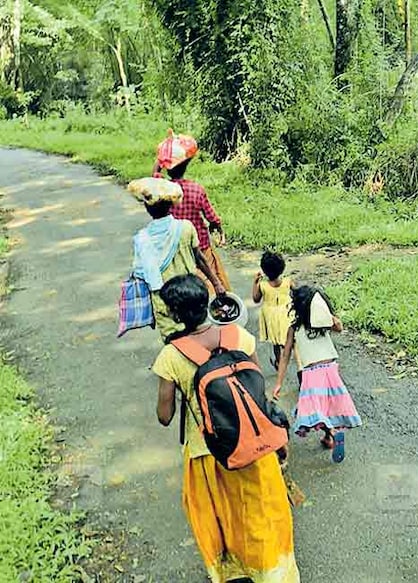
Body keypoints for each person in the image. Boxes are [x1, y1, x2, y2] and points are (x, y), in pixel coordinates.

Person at [152, 275, 299, 583]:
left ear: (176, 315)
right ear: (207, 303)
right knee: (260, 513)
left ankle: (231, 571)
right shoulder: (239, 337)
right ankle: (272, 572)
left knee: (220, 517)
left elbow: (164, 416)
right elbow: (257, 390)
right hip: (253, 444)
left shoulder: (171, 356)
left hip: (208, 452)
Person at [273, 286, 362, 463]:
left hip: (311, 373)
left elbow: (285, 356)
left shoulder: (294, 328)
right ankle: (330, 437)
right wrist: (331, 317)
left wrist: (279, 382)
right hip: (330, 368)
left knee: (316, 410)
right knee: (329, 407)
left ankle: (332, 433)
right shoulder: (322, 324)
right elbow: (339, 327)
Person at [130, 184, 227, 343]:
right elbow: (200, 258)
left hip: (165, 304)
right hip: (192, 296)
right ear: (171, 206)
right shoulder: (185, 228)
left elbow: (141, 274)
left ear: (147, 208)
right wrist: (216, 284)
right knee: (202, 342)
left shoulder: (142, 238)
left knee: (175, 347)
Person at [152, 130, 232, 294]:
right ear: (187, 164)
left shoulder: (164, 189)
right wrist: (218, 228)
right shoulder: (196, 189)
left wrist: (161, 159)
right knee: (211, 277)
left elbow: (155, 175)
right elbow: (212, 217)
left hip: (175, 246)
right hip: (200, 244)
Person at [253, 251, 294, 369]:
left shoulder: (263, 285)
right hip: (286, 314)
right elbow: (297, 294)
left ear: (264, 270)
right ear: (282, 268)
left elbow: (256, 299)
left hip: (271, 317)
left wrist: (255, 283)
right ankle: (291, 357)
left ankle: (278, 362)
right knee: (289, 339)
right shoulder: (288, 282)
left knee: (275, 343)